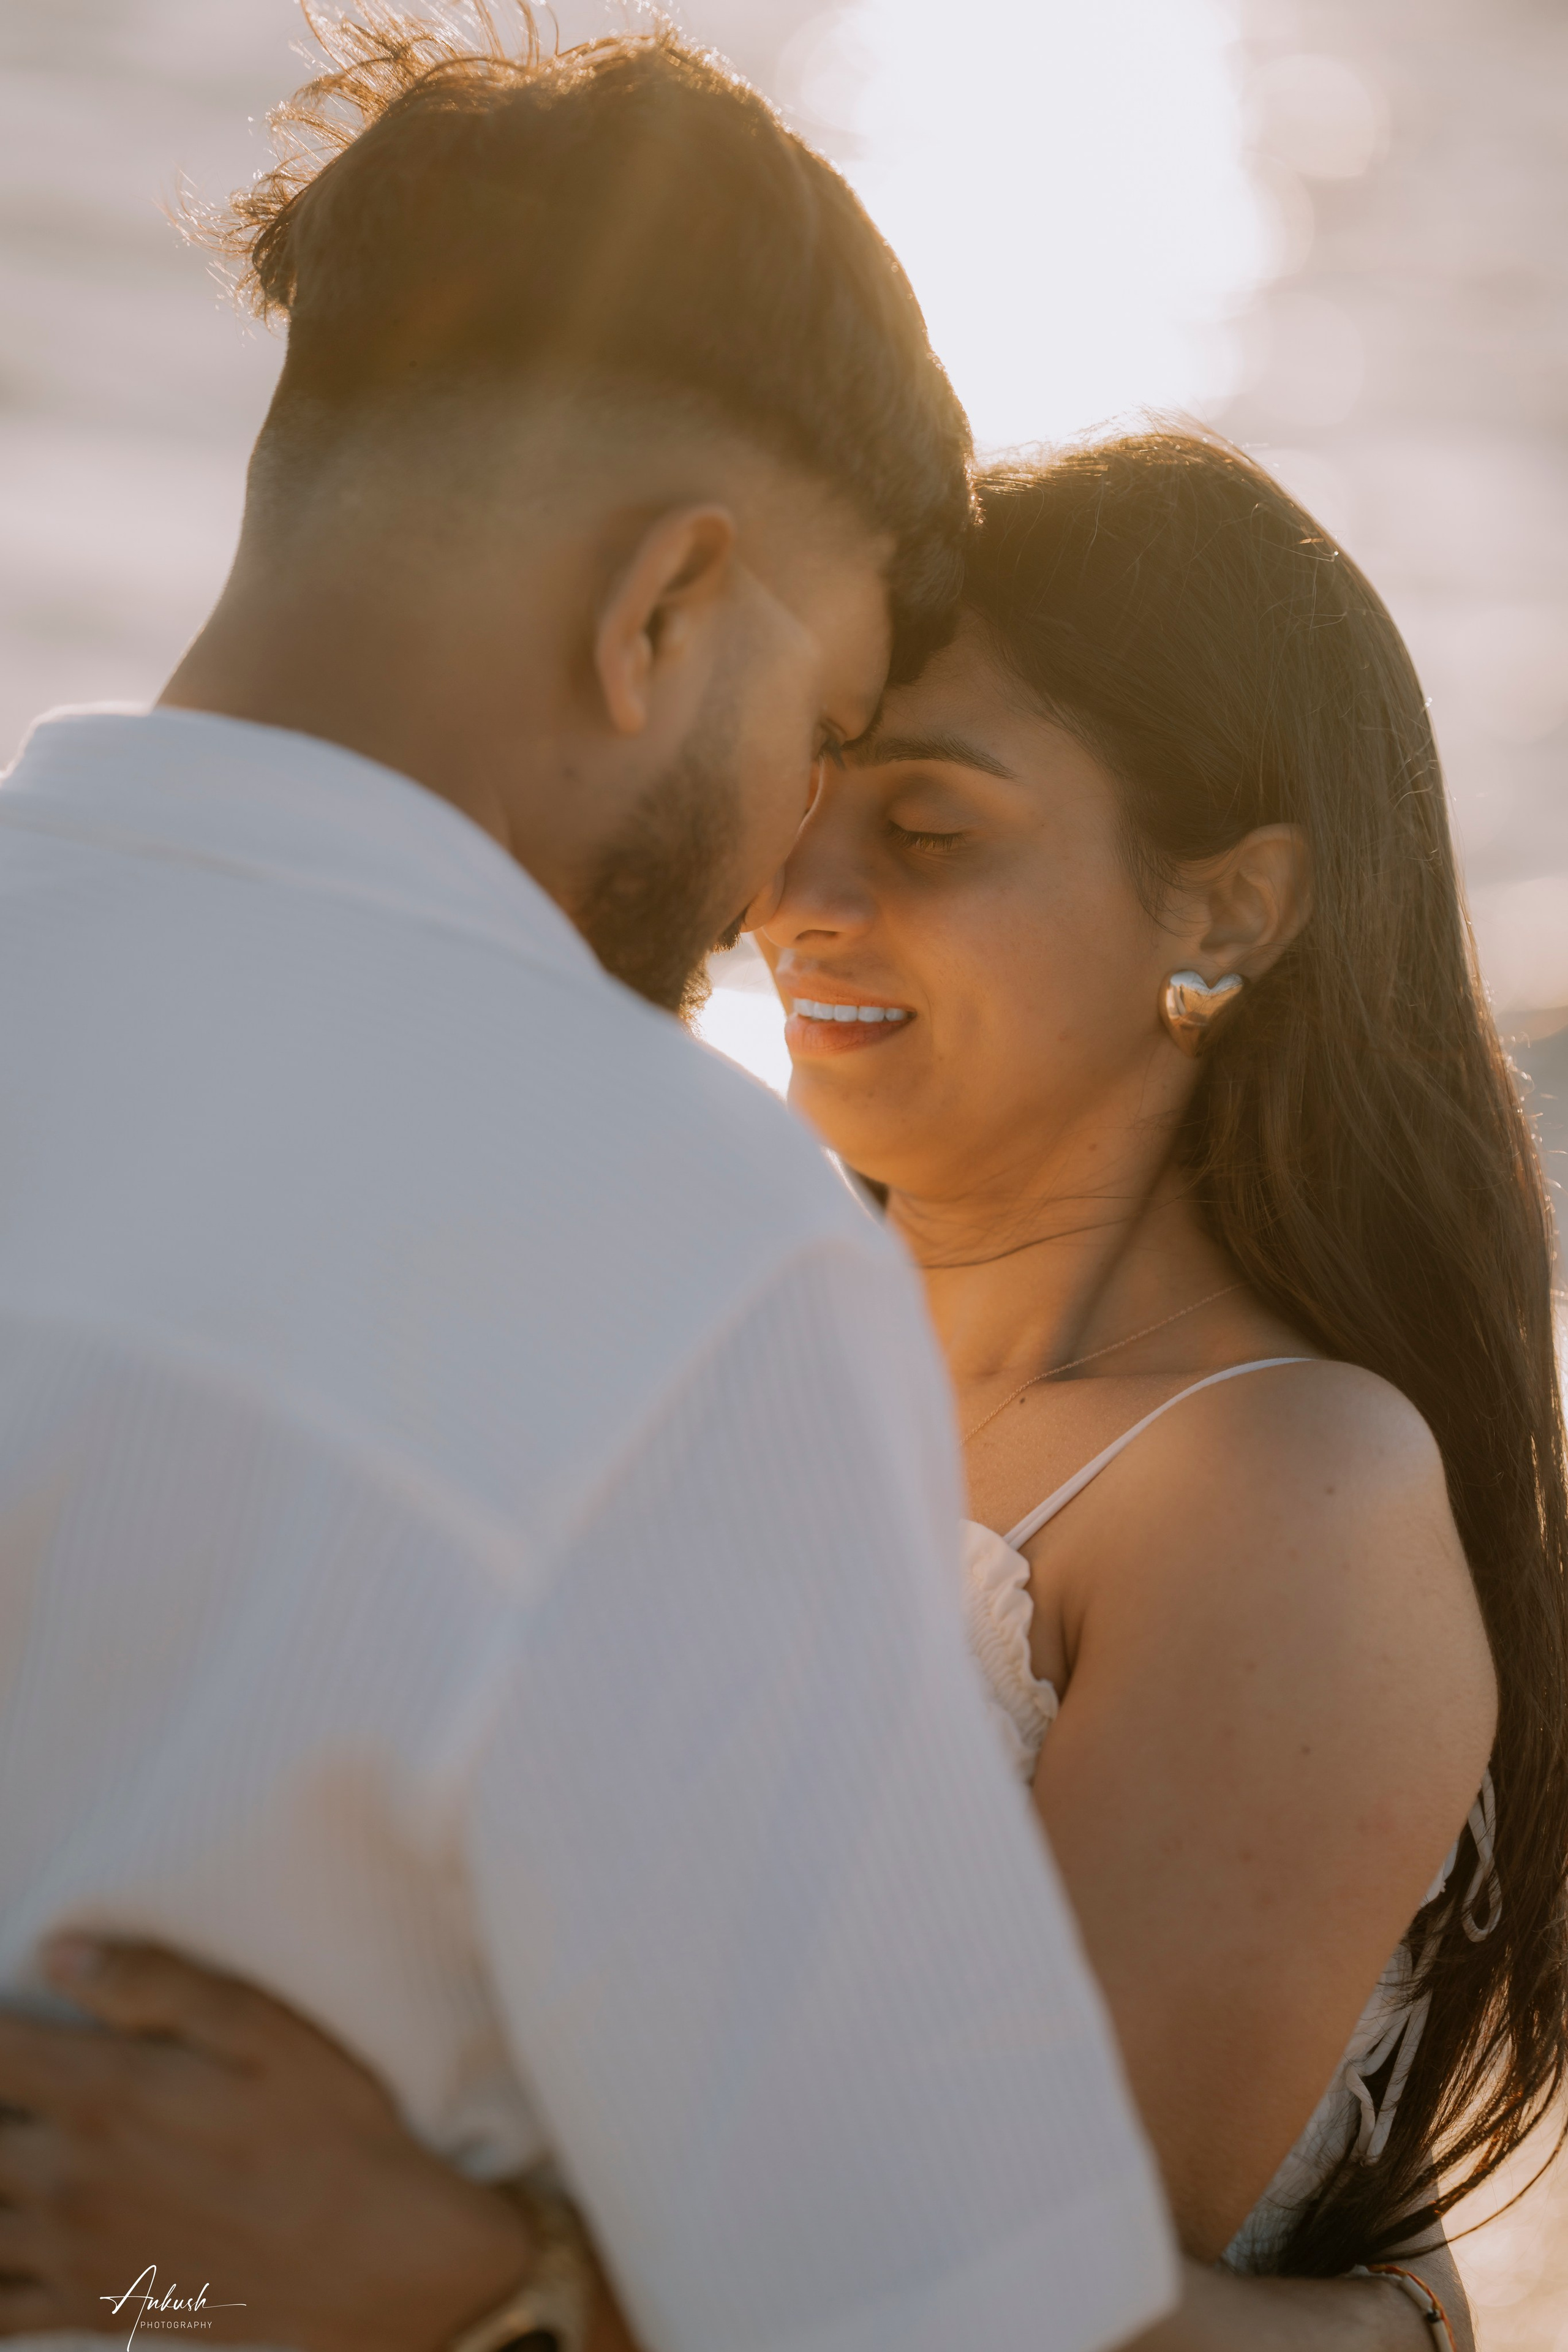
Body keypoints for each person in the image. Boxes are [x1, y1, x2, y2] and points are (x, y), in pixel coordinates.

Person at [7, 429, 1565, 2352]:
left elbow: (1009, 2316)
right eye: (817, 785)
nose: (794, 892)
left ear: (1225, 913)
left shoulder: (1278, 1489)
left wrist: (477, 2280)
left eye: (931, 835)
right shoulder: (693, 1316)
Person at [0, 12, 1188, 2352]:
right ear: (662, 608)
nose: (780, 879)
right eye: (823, 727)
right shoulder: (685, 1251)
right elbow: (948, 2321)